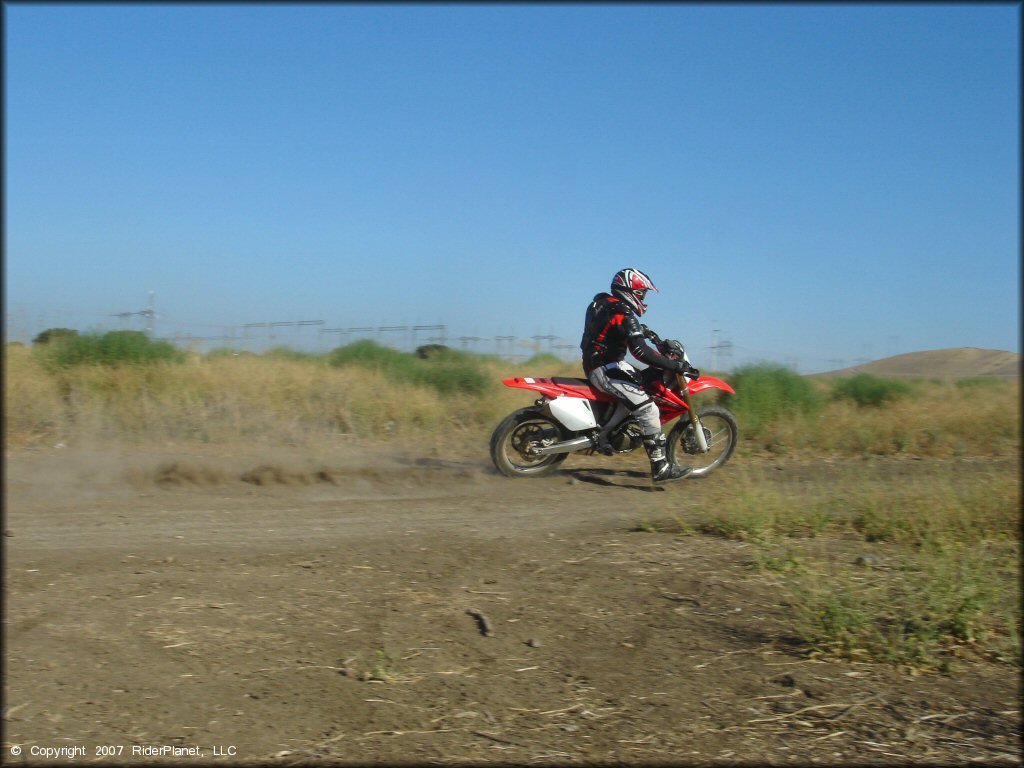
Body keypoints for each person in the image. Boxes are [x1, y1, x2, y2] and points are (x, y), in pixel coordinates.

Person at [580, 268, 698, 482]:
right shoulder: (623, 313)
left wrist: (650, 334)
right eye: (642, 293)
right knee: (649, 410)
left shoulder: (602, 303)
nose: (644, 298)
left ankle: (607, 433)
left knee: (640, 386)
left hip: (596, 363)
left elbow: (619, 328)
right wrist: (673, 364)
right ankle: (660, 468)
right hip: (605, 368)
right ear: (630, 291)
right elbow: (641, 351)